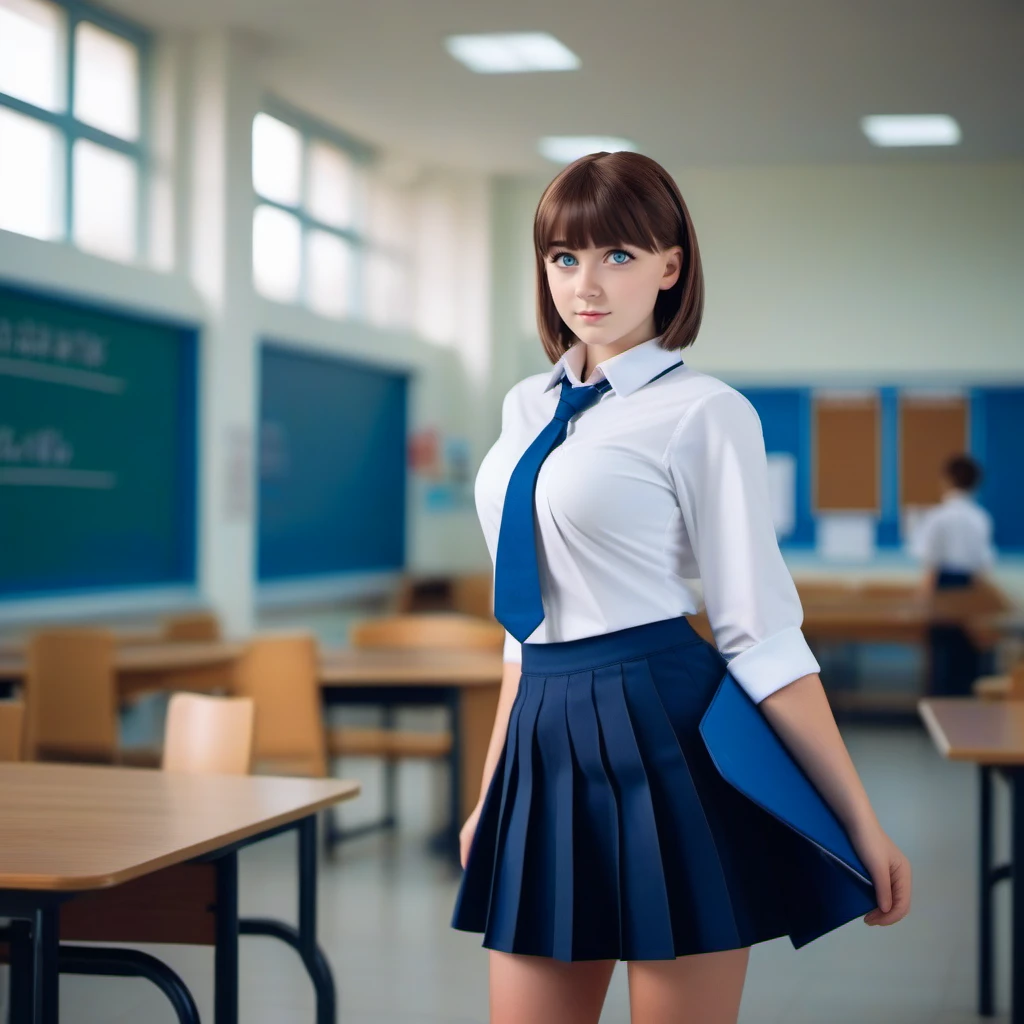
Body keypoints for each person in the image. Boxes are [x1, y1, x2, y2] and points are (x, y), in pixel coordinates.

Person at [451, 151, 911, 1024]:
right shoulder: (522, 408)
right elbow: (520, 634)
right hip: (540, 739)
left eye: (619, 255)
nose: (587, 284)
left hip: (662, 725)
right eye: (564, 257)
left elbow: (762, 634)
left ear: (671, 266)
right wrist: (489, 793)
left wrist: (860, 821)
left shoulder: (705, 412)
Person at [910, 453, 997, 696]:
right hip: (970, 588)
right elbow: (983, 567)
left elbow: (931, 566)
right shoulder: (981, 518)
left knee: (942, 656)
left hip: (944, 586)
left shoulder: (938, 516)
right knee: (966, 657)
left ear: (946, 480)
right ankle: (967, 711)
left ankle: (938, 708)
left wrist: (921, 602)